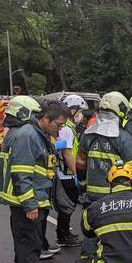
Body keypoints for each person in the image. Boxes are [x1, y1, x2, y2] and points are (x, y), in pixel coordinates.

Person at [0, 98, 68, 263]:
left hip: (36, 197)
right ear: (45, 118)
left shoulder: (38, 134)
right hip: (27, 201)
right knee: (29, 244)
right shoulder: (28, 136)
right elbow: (22, 173)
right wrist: (30, 205)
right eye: (58, 124)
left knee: (29, 242)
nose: (59, 129)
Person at [76, 91, 132, 255]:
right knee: (116, 232)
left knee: (92, 232)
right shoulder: (124, 139)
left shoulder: (87, 135)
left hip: (92, 196)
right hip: (116, 197)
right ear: (121, 113)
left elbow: (80, 165)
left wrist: (83, 188)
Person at [53, 94, 88, 248]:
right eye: (79, 111)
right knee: (67, 206)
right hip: (67, 174)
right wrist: (76, 172)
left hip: (63, 172)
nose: (81, 115)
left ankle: (64, 233)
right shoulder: (67, 129)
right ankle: (63, 235)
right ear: (72, 110)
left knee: (67, 206)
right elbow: (67, 153)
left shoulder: (66, 127)